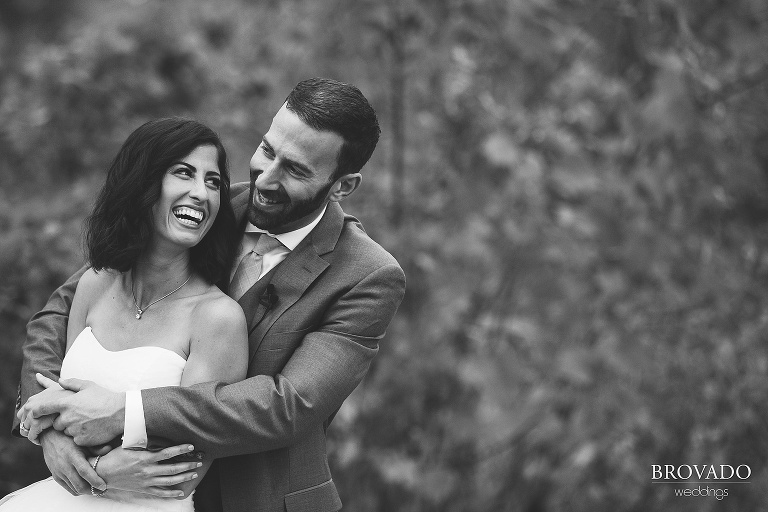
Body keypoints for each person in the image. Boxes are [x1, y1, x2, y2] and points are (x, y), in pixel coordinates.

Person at [14, 78, 407, 512]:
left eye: (295, 170)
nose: (266, 178)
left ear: (342, 186)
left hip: (257, 498)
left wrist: (125, 411)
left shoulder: (368, 275)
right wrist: (48, 428)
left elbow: (290, 405)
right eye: (267, 150)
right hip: (118, 486)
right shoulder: (204, 207)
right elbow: (58, 312)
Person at [2, 118, 248, 511]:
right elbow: (56, 405)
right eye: (183, 173)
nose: (201, 193)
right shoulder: (94, 285)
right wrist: (51, 439)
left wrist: (91, 469)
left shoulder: (217, 318)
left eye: (213, 181)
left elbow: (183, 473)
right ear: (142, 183)